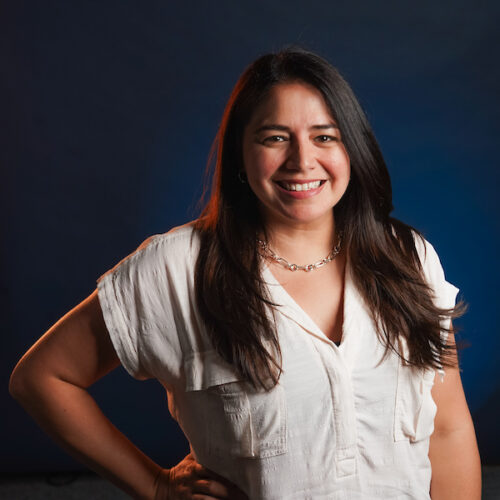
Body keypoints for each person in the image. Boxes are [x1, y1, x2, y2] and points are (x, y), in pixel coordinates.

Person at [9, 48, 481, 499]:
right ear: (241, 153)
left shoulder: (407, 257)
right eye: (275, 137)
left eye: (324, 136)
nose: (302, 160)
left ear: (352, 146)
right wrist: (155, 487)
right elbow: (43, 377)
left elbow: (448, 429)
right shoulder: (179, 268)